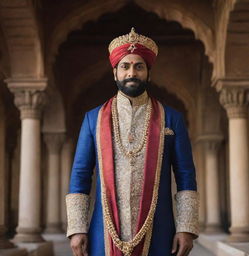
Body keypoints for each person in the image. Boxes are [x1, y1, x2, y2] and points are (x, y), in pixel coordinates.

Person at [66, 28, 199, 256]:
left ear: (149, 73)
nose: (132, 73)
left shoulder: (172, 118)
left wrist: (186, 228)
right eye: (125, 66)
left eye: (139, 66)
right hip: (103, 231)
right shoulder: (93, 119)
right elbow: (80, 174)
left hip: (159, 230)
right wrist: (77, 229)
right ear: (115, 73)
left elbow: (185, 175)